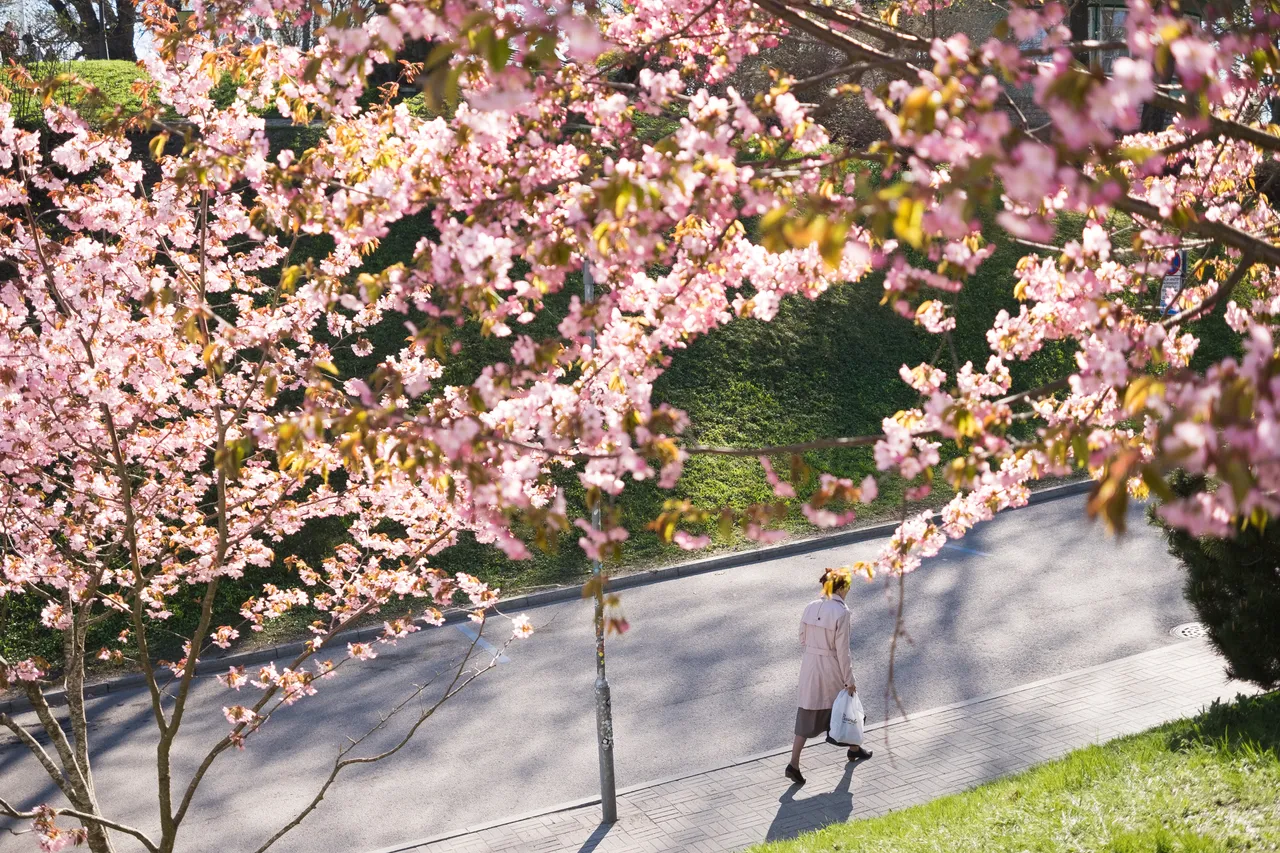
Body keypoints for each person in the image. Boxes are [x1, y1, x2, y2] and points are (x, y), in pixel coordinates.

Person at [786, 567, 872, 785]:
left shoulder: (810, 606)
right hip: (831, 667)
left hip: (809, 666)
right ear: (841, 587)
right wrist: (850, 680)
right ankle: (853, 748)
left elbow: (802, 638)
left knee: (807, 714)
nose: (850, 589)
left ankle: (794, 763)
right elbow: (843, 651)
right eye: (849, 585)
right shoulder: (842, 613)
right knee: (844, 708)